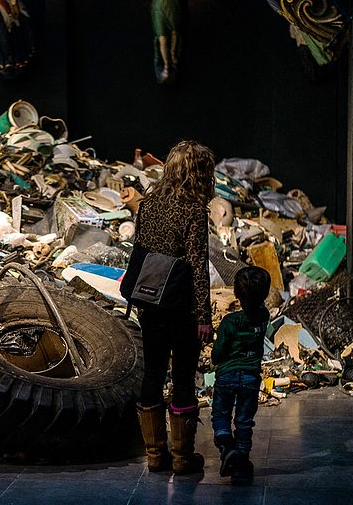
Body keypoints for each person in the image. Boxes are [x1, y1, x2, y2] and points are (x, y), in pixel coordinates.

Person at [133, 140, 215, 475]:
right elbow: (198, 265)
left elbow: (139, 247)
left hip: (150, 301)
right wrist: (204, 316)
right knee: (182, 377)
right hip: (181, 307)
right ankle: (182, 457)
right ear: (199, 173)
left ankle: (154, 454)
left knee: (152, 373)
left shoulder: (149, 202)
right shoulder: (194, 209)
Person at [211, 266, 271, 484]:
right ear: (265, 294)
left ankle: (227, 447)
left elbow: (218, 353)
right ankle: (242, 463)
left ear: (235, 293)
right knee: (244, 422)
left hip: (226, 376)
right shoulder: (264, 316)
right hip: (250, 378)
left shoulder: (230, 322)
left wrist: (215, 358)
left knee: (220, 415)